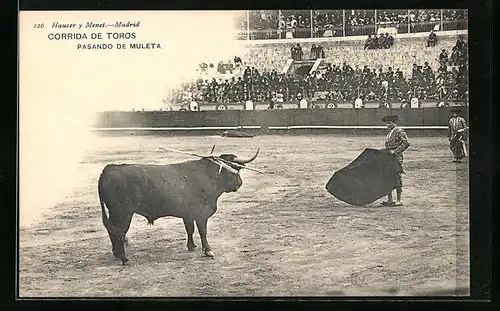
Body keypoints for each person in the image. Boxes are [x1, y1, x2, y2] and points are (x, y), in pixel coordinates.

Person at [381, 115, 410, 206]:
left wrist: (395, 151)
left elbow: (406, 143)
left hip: (396, 157)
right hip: (388, 156)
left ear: (394, 123)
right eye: (387, 123)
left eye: (389, 123)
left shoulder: (399, 131)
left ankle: (399, 199)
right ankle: (390, 199)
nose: (387, 125)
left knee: (397, 176)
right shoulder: (390, 132)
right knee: (387, 177)